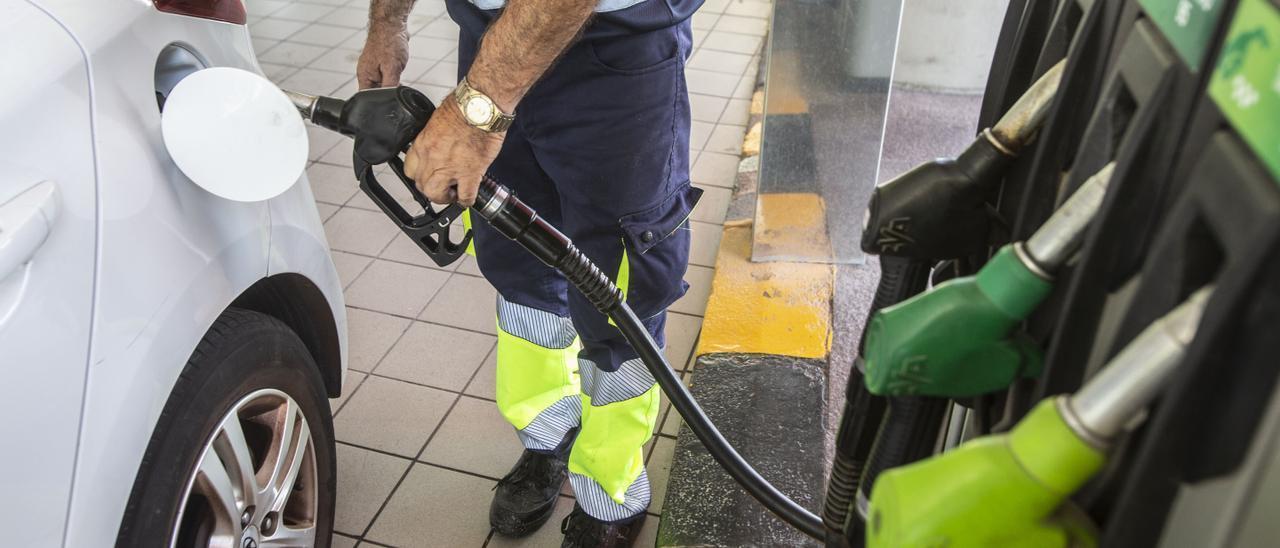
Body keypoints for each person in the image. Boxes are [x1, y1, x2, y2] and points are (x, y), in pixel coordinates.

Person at [358, 0, 702, 545]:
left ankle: (611, 490)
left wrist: (477, 111)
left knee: (618, 292)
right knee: (519, 268)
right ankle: (549, 433)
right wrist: (387, 22)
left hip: (614, 47)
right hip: (492, 38)